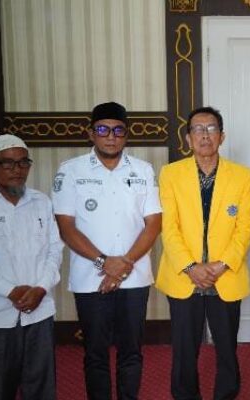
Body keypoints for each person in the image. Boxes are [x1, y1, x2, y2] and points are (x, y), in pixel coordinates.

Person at [52, 102, 161, 400]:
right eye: (102, 130)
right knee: (95, 353)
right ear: (91, 133)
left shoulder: (143, 170)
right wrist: (104, 262)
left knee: (131, 351)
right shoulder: (70, 171)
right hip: (91, 278)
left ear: (126, 134)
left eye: (118, 130)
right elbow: (66, 227)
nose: (110, 137)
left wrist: (123, 264)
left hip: (134, 277)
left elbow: (153, 224)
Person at [156, 106, 250, 400]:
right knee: (184, 348)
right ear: (188, 138)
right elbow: (168, 227)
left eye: (211, 129)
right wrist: (191, 266)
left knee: (227, 346)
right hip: (184, 276)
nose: (205, 135)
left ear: (222, 136)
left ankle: (226, 394)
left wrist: (222, 264)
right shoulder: (171, 174)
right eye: (198, 129)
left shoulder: (242, 176)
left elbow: (245, 227)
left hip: (224, 274)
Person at [0, 135, 62, 400]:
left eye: (23, 163)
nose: (17, 170)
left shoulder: (41, 202)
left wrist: (41, 288)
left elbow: (55, 251)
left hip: (39, 311)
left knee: (41, 389)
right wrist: (10, 290)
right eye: (8, 163)